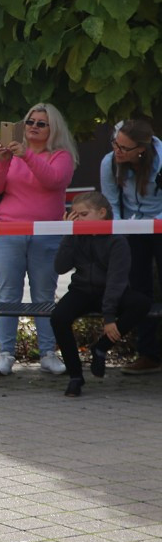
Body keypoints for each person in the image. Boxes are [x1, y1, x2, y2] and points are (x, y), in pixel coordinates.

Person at [0, 102, 76, 376]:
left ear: (53, 128)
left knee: (43, 294)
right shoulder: (11, 155)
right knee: (8, 295)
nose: (33, 127)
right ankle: (5, 354)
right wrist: (2, 161)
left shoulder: (61, 155)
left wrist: (26, 156)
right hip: (9, 231)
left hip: (46, 233)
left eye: (41, 123)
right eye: (30, 122)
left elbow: (53, 180)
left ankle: (48, 353)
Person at [52, 192, 152, 397]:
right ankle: (75, 377)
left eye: (83, 214)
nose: (77, 219)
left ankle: (101, 347)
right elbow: (60, 267)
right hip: (81, 290)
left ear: (102, 213)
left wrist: (109, 318)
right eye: (74, 215)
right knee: (58, 317)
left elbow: (116, 282)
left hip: (110, 292)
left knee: (141, 303)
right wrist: (68, 234)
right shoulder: (77, 236)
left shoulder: (117, 241)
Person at [100, 119, 162, 375]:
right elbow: (111, 203)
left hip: (160, 225)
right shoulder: (109, 162)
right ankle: (149, 354)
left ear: (142, 150)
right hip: (131, 227)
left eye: (124, 148)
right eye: (116, 144)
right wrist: (122, 228)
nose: (118, 151)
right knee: (139, 290)